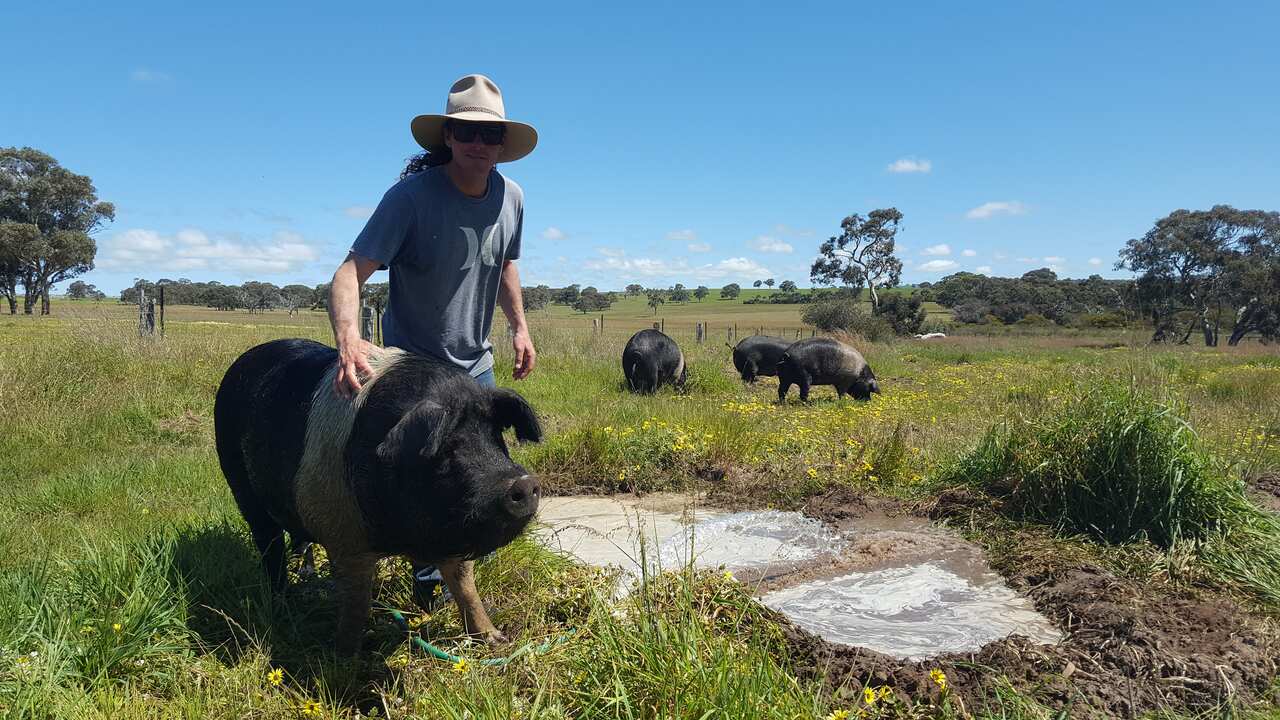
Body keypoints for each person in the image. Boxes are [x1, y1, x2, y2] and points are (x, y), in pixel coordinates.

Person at [326, 73, 538, 609]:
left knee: (477, 485)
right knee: (416, 489)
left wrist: (519, 326)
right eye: (466, 132)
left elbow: (507, 262)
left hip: (477, 369)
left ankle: (457, 574)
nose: (478, 144)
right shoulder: (410, 199)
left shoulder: (512, 197)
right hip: (414, 373)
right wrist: (348, 336)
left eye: (489, 136)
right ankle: (428, 591)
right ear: (447, 136)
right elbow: (352, 270)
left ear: (502, 145)